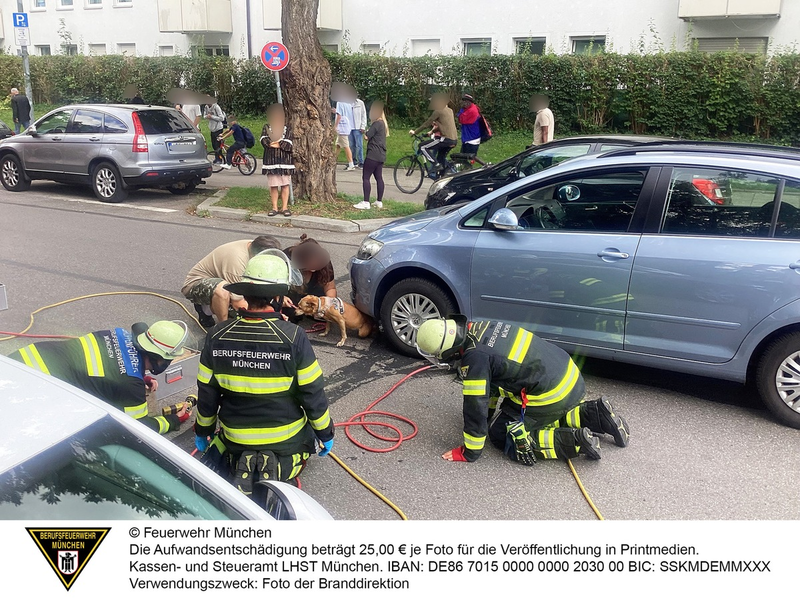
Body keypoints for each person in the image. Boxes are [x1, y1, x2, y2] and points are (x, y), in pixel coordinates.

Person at [194, 251, 334, 493]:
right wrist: (325, 432)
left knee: (227, 448)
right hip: (285, 436)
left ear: (245, 292)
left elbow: (207, 392)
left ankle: (243, 461)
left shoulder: (217, 334)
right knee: (300, 442)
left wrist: (203, 430)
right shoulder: (293, 336)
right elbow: (312, 392)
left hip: (236, 436)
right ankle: (276, 468)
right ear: (279, 296)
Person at [415, 315, 630, 465]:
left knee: (502, 434)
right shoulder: (479, 328)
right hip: (569, 376)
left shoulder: (474, 360)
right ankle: (595, 414)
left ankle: (574, 441)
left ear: (449, 351)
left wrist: (469, 451)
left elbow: (475, 405)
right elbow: (495, 384)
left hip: (551, 394)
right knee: (520, 415)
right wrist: (490, 413)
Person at [8, 320, 192, 435]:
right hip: (36, 387)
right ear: (160, 359)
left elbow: (107, 364)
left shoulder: (117, 334)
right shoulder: (129, 384)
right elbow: (138, 428)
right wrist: (174, 420)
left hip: (21, 360)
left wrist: (140, 376)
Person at [182, 235, 282, 327]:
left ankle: (217, 309)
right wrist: (264, 318)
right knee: (223, 291)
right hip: (196, 284)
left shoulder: (256, 246)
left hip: (225, 279)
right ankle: (222, 327)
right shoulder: (237, 263)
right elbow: (238, 302)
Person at [410, 92, 457, 179]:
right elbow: (444, 125)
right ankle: (441, 178)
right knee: (440, 157)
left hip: (445, 139)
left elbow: (427, 123)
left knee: (422, 146)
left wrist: (415, 132)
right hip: (453, 140)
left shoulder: (438, 111)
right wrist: (432, 132)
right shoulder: (450, 111)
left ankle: (436, 164)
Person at [284, 234, 336, 310]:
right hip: (290, 291)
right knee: (291, 314)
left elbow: (330, 288)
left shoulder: (323, 260)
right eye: (311, 264)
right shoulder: (286, 259)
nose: (315, 267)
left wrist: (328, 305)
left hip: (314, 290)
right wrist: (281, 298)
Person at [260, 104, 294, 218]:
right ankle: (274, 207)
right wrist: (275, 144)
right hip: (271, 162)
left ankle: (284, 207)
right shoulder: (266, 128)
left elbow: (288, 144)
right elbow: (264, 142)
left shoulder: (288, 129)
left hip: (285, 162)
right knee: (273, 185)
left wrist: (278, 144)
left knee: (285, 185)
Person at [353, 101, 388, 210]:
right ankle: (379, 201)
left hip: (373, 154)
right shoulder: (383, 124)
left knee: (366, 177)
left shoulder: (376, 124)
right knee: (379, 178)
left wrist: (366, 132)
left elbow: (367, 136)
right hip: (381, 155)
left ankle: (366, 202)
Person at [334, 101, 356, 171]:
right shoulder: (348, 103)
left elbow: (339, 115)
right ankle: (333, 161)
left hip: (342, 127)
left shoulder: (339, 102)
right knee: (338, 145)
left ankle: (351, 164)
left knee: (346, 146)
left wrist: (335, 126)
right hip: (347, 125)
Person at [204, 99, 226, 163]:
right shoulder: (206, 107)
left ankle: (219, 158)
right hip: (212, 128)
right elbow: (204, 116)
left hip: (218, 128)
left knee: (218, 145)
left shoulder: (216, 107)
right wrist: (207, 116)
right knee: (214, 145)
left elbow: (222, 118)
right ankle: (217, 158)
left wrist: (212, 116)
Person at [350, 94, 367, 168]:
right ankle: (353, 161)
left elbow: (364, 115)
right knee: (351, 145)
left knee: (359, 145)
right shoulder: (347, 103)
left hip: (358, 127)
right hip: (350, 127)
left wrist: (363, 126)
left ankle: (361, 162)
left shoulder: (360, 103)